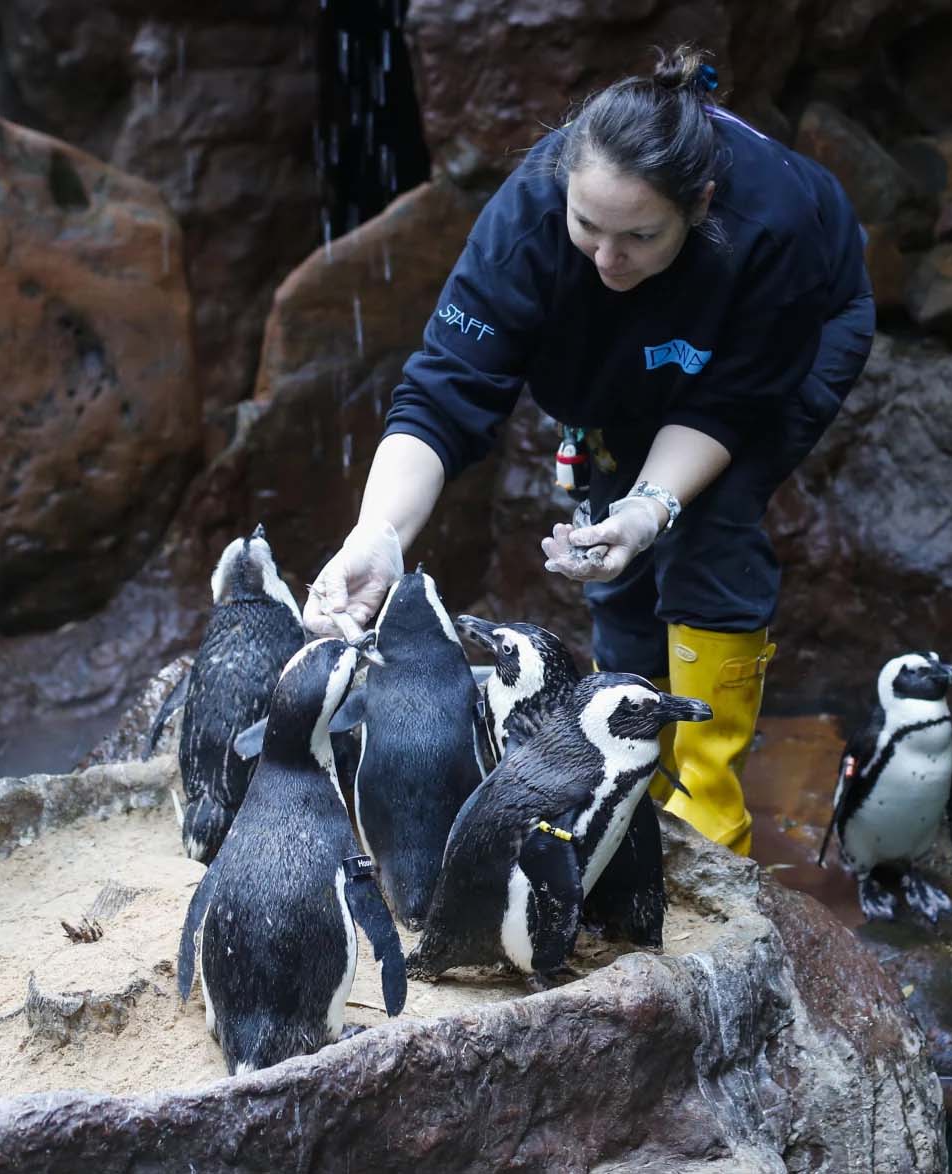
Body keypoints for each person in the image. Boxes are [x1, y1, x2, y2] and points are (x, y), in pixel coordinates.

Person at [302, 47, 874, 857]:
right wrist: (379, 534)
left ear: (700, 203)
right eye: (587, 227)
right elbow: (443, 391)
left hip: (794, 330)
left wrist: (653, 506)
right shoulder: (528, 219)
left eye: (637, 234)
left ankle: (709, 816)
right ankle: (634, 778)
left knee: (705, 520)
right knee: (612, 538)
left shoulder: (770, 225)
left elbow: (725, 407)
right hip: (634, 348)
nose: (606, 258)